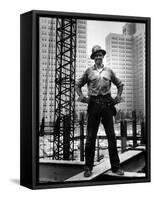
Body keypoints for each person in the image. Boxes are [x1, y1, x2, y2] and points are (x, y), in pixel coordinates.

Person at [75, 45, 124, 177]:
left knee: (111, 137)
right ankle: (88, 168)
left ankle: (116, 167)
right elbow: (77, 84)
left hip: (107, 105)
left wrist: (118, 96)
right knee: (90, 138)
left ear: (103, 56)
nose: (98, 57)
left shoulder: (109, 71)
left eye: (100, 55)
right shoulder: (88, 71)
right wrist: (82, 97)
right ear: (93, 58)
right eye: (96, 55)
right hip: (93, 105)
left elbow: (120, 84)